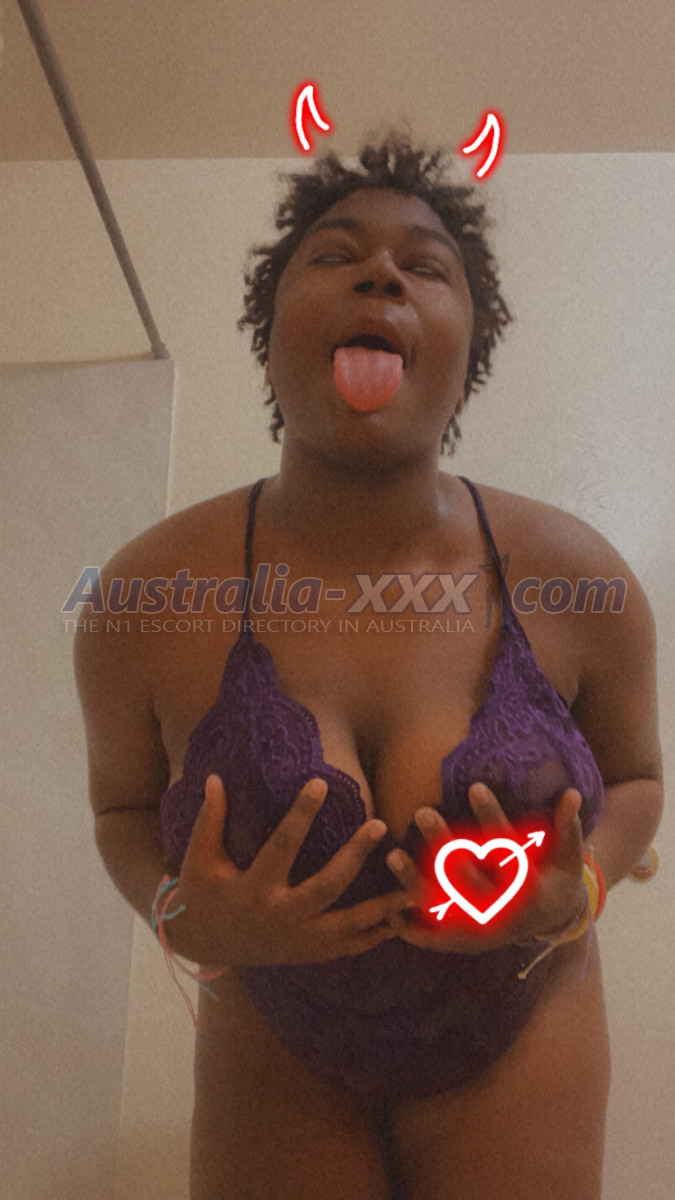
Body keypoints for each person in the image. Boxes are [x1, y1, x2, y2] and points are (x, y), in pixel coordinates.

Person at [75, 133, 663, 1200]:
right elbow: (120, 808)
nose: (381, 272)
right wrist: (177, 915)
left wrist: (577, 888)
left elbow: (637, 781)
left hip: (523, 1024)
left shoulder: (578, 578)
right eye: (336, 255)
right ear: (269, 335)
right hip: (272, 1042)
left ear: (469, 349)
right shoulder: (145, 595)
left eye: (425, 266)